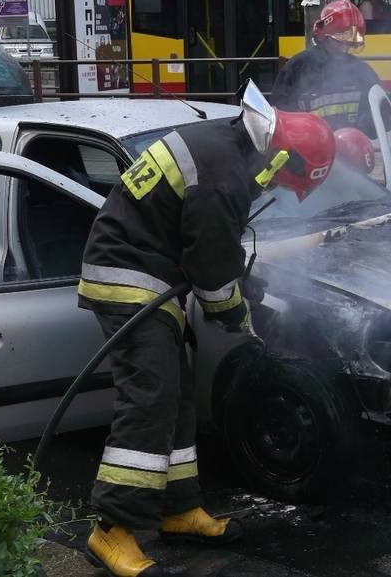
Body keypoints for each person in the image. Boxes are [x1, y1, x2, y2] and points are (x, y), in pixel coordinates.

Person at [78, 80, 336, 576]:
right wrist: (240, 318)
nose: (282, 190)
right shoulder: (224, 175)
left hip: (152, 273)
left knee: (175, 396)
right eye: (288, 183)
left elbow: (210, 245)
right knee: (149, 399)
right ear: (282, 160)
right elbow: (213, 270)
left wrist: (239, 292)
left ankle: (178, 508)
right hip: (129, 278)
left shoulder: (230, 145)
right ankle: (110, 531)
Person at [270, 0, 381, 138]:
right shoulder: (297, 68)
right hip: (309, 154)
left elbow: (372, 129)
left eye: (349, 43)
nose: (344, 48)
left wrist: (382, 114)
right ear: (324, 37)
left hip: (350, 152)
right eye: (339, 42)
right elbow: (278, 120)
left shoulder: (361, 72)